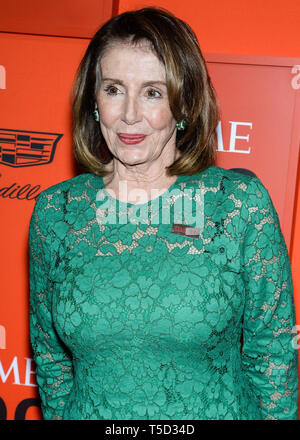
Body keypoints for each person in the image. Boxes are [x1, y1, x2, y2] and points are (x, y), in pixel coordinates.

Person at [29, 7, 298, 420]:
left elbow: (271, 358)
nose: (130, 114)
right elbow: (50, 361)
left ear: (183, 103)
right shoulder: (57, 212)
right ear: (93, 100)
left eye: (153, 92)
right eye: (114, 89)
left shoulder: (239, 204)